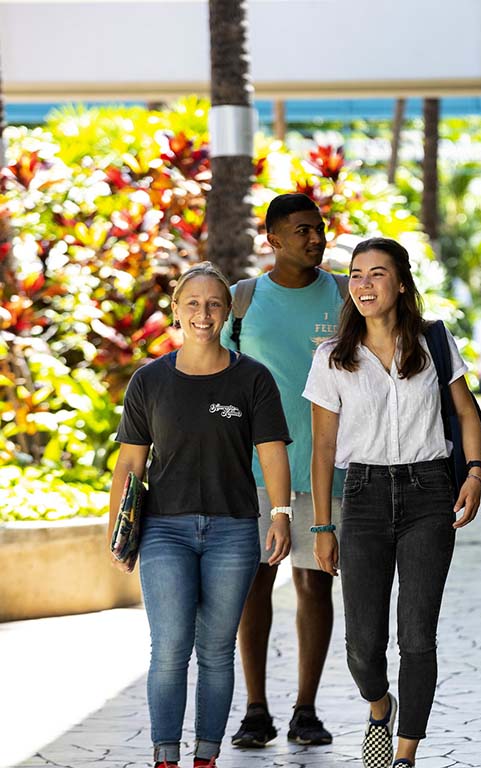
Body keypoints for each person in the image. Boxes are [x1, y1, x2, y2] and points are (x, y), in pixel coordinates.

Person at [303, 237, 481, 768]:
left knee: (417, 635)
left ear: (400, 282)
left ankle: (404, 754)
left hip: (430, 493)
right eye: (356, 275)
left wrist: (474, 473)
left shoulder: (432, 343)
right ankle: (380, 705)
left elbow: (468, 414)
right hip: (362, 496)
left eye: (376, 274)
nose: (363, 284)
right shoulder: (332, 357)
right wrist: (321, 527)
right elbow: (323, 449)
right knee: (361, 644)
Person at [108, 262, 292, 768]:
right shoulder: (149, 381)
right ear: (176, 311)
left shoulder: (252, 378)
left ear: (227, 311)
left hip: (234, 530)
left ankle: (206, 757)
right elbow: (129, 463)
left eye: (214, 303)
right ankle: (166, 756)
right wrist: (116, 536)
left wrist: (280, 514)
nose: (203, 313)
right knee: (169, 647)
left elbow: (273, 452)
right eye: (193, 303)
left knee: (215, 651)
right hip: (164, 529)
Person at [222, 192, 347, 748]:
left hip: (328, 471)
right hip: (252, 474)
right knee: (254, 586)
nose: (315, 238)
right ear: (272, 239)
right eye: (301, 231)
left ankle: (306, 709)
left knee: (314, 586)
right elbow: (213, 379)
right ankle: (255, 710)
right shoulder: (242, 301)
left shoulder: (347, 294)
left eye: (318, 229)